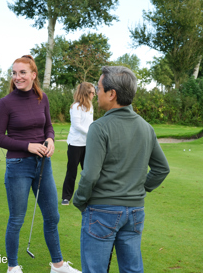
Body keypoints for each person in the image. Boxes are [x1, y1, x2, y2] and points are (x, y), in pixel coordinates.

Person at [73, 66, 170, 273]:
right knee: (132, 269)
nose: (96, 93)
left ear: (112, 93)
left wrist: (80, 200)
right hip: (135, 211)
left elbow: (90, 175)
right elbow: (162, 169)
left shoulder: (99, 127)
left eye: (99, 88)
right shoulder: (146, 127)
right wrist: (139, 190)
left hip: (102, 209)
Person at [0, 55, 81, 273]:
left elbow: (48, 126)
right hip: (18, 165)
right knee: (16, 220)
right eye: (14, 73)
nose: (17, 77)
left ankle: (57, 265)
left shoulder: (43, 98)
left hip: (43, 165)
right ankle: (12, 267)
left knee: (52, 216)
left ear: (33, 75)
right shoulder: (6, 103)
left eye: (22, 72)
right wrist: (28, 146)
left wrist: (50, 139)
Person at [61, 82, 95, 206]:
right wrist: (91, 133)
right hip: (75, 143)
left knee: (88, 171)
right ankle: (66, 197)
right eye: (92, 92)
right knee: (72, 171)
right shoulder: (76, 106)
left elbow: (90, 123)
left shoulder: (90, 106)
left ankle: (88, 195)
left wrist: (93, 131)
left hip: (87, 143)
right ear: (86, 93)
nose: (94, 95)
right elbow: (77, 125)